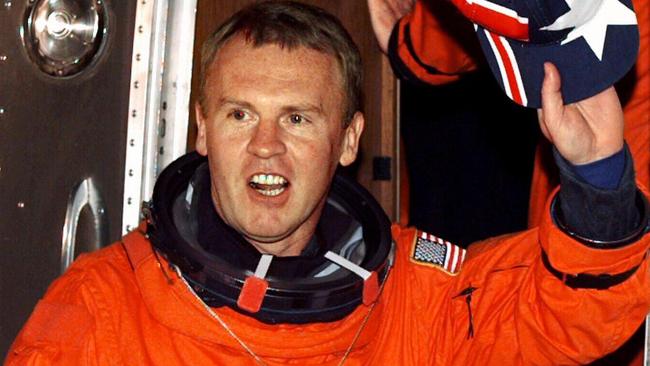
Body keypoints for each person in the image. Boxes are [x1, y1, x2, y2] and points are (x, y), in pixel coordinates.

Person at [7, 1, 650, 365]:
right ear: (201, 129)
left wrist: (598, 178)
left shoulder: (414, 301)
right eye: (240, 115)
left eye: (297, 118)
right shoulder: (102, 312)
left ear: (348, 140)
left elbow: (565, 314)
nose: (266, 145)